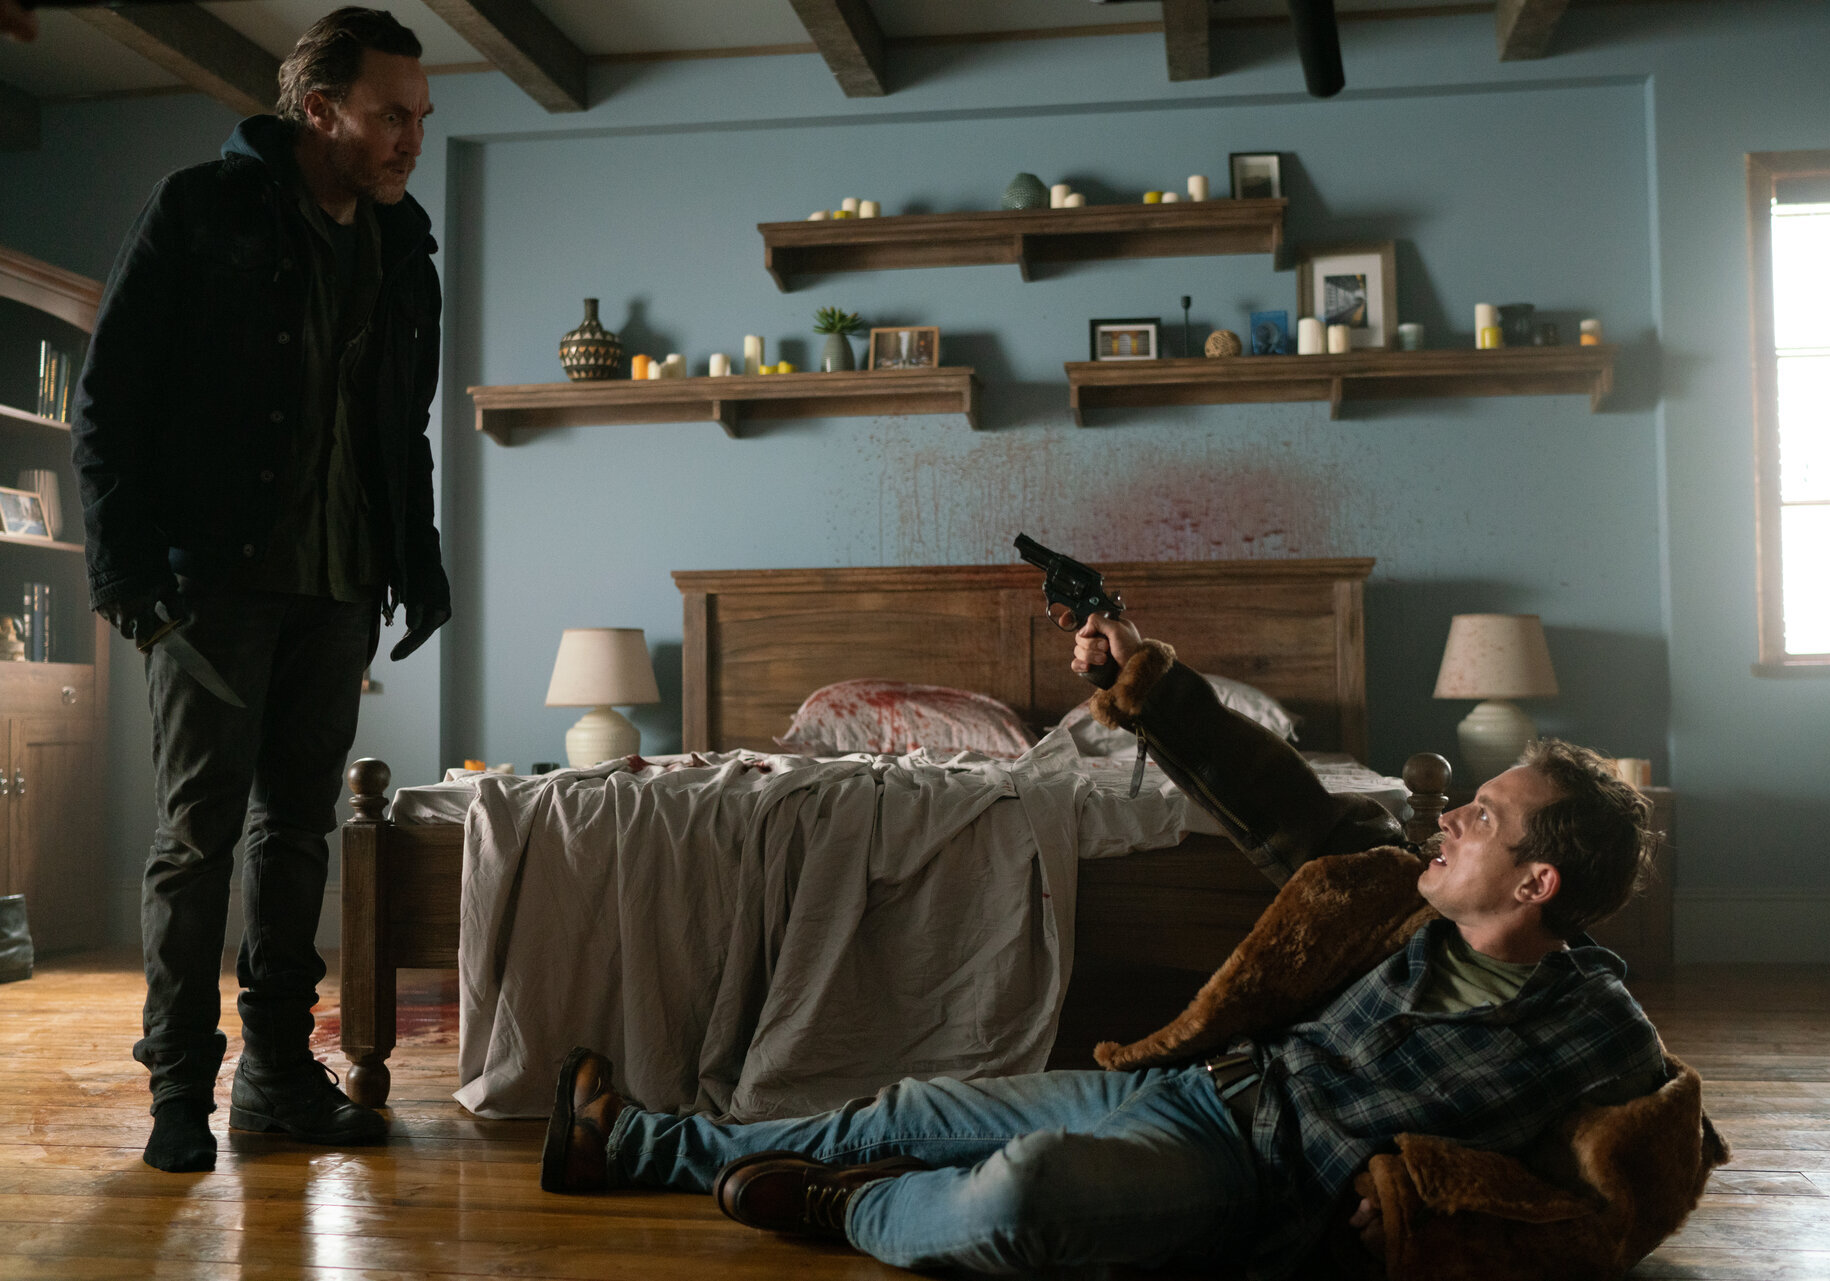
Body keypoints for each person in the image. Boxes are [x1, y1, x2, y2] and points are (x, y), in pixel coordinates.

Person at [536, 614, 1675, 1277]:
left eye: (1483, 816)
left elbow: (1619, 1200)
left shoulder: (1599, 1034)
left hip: (1255, 1178)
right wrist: (1143, 683)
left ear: (1536, 883)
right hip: (1198, 1089)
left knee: (1024, 1193)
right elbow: (1269, 794)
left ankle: (850, 1207)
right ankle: (633, 1143)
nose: (1450, 816)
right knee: (916, 1107)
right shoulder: (1394, 893)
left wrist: (1425, 1201)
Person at [70, 7, 450, 1174]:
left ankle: (279, 1077)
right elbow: (109, 402)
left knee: (297, 834)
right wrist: (127, 577)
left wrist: (419, 561)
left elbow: (402, 427)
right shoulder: (202, 209)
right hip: (213, 585)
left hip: (342, 584)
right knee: (198, 838)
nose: (411, 140)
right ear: (320, 109)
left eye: (423, 119)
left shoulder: (404, 244)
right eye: (390, 116)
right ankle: (180, 1089)